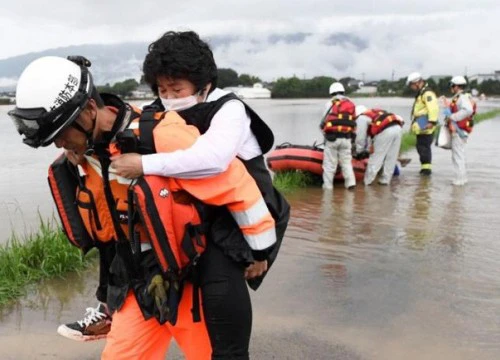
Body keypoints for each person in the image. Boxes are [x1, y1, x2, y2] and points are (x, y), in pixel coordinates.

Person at [9, 55, 278, 359]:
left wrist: (259, 251)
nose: (59, 145)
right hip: (139, 286)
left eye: (60, 134)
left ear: (88, 112)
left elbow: (236, 186)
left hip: (190, 277)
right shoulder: (83, 157)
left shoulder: (159, 135)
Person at [319, 82, 357, 190]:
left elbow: (324, 121)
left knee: (329, 165)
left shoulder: (329, 104)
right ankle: (350, 184)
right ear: (343, 91)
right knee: (346, 163)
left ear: (331, 92)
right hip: (347, 138)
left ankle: (328, 188)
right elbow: (354, 122)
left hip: (332, 139)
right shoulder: (350, 103)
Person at [354, 105, 403, 185]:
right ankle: (385, 181)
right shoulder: (376, 113)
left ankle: (367, 182)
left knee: (376, 158)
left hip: (385, 131)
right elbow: (371, 136)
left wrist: (360, 151)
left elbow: (360, 137)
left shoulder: (361, 118)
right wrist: (368, 148)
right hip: (398, 128)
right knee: (391, 157)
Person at [445, 75, 476, 186]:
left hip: (459, 131)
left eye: (452, 86)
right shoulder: (460, 97)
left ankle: (459, 180)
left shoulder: (462, 98)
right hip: (460, 130)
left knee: (457, 156)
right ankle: (462, 178)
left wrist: (453, 117)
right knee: (459, 155)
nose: (451, 88)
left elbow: (468, 110)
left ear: (457, 86)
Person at [406, 72, 439, 176]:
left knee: (424, 146)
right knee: (421, 146)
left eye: (411, 85)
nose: (411, 87)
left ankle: (426, 170)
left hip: (425, 122)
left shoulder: (427, 93)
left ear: (416, 83)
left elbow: (433, 108)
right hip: (421, 122)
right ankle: (425, 168)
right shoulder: (422, 93)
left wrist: (431, 122)